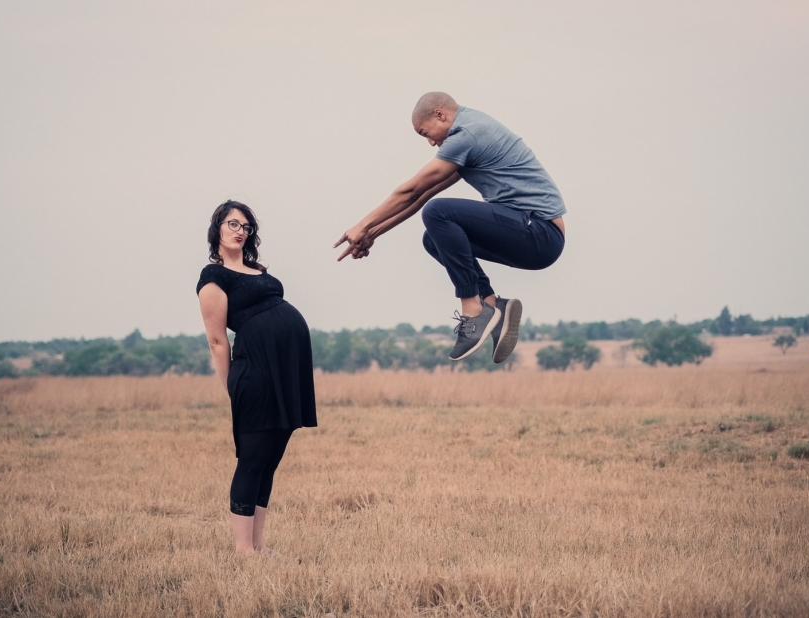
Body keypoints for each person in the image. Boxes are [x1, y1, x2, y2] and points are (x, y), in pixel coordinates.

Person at [334, 91, 567, 363]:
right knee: (433, 238)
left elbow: (411, 191)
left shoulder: (467, 134)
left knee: (439, 212)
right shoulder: (471, 132)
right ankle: (491, 304)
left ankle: (473, 309)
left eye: (426, 133)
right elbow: (422, 196)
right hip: (534, 235)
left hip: (539, 232)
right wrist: (372, 234)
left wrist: (362, 225)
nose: (431, 142)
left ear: (440, 115)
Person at [196, 200, 317, 556]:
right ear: (218, 227)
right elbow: (218, 342)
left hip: (284, 372)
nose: (240, 231)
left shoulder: (257, 270)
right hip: (255, 375)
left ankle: (258, 546)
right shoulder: (213, 277)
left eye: (246, 227)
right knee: (252, 459)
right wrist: (233, 387)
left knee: (270, 460)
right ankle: (242, 550)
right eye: (233, 223)